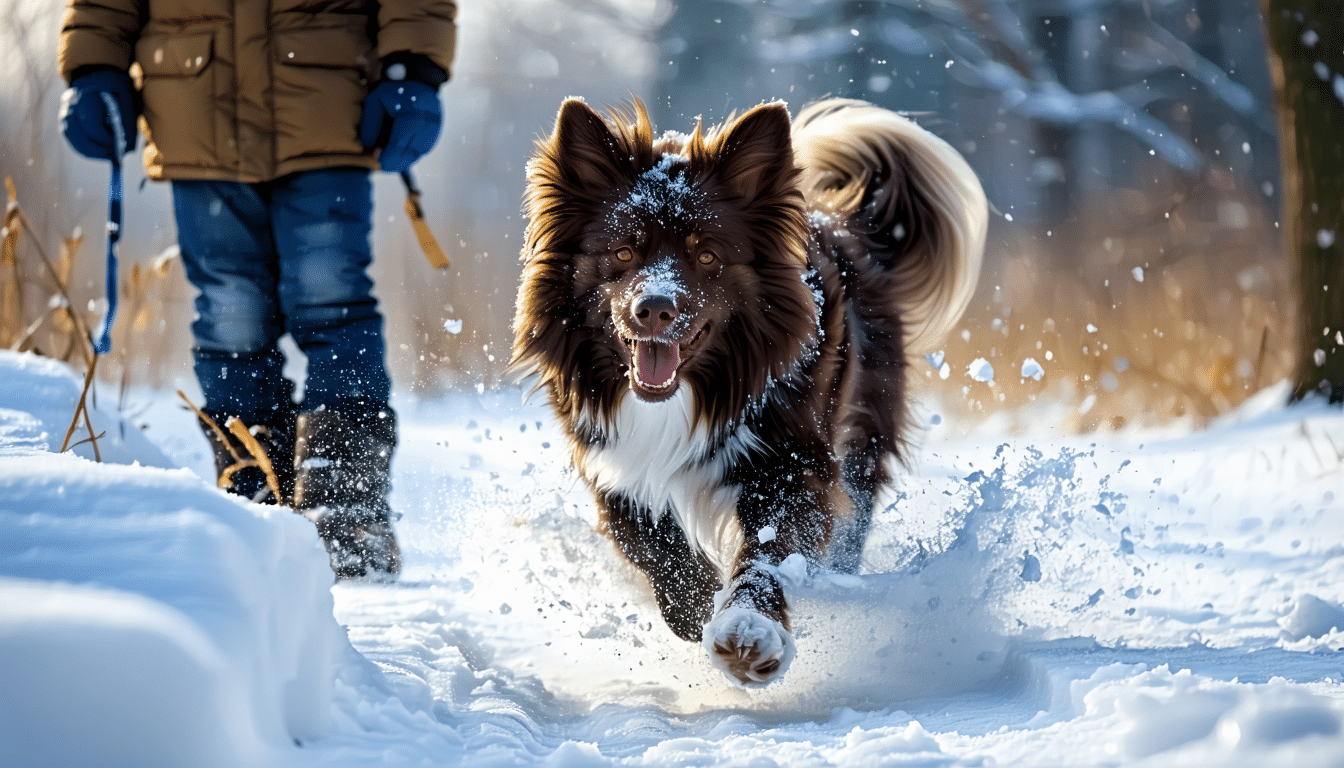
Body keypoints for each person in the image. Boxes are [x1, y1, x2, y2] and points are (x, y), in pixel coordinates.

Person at [57, 0, 457, 579]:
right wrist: (95, 65)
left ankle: (346, 514)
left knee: (332, 302)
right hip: (197, 116)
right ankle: (254, 507)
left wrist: (412, 66)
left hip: (327, 106)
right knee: (230, 312)